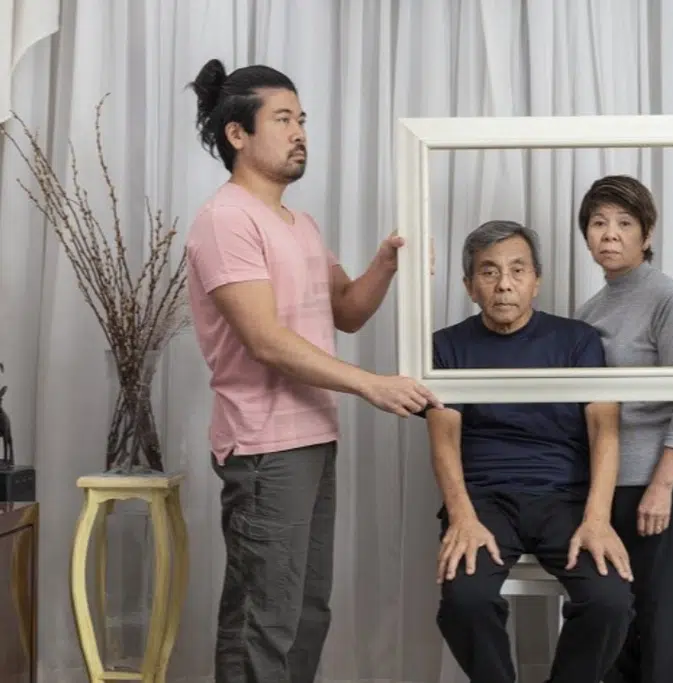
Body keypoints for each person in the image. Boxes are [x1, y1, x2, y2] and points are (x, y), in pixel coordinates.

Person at [183, 58, 441, 683]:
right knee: (266, 618)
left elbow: (346, 310)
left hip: (312, 436)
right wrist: (371, 384)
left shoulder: (301, 225)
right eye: (283, 119)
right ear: (237, 134)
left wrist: (386, 263)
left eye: (302, 119)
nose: (299, 132)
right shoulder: (226, 219)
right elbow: (266, 342)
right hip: (264, 446)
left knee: (305, 612)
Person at [424, 220, 635, 683]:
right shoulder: (446, 346)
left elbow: (605, 432)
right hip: (484, 502)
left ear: (536, 281)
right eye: (489, 272)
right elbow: (443, 440)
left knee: (610, 600)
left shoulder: (577, 341)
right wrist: (462, 516)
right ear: (469, 286)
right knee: (465, 600)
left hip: (565, 500)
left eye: (517, 270)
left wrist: (597, 518)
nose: (504, 284)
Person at [574, 175, 673, 683]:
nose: (610, 234)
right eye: (598, 223)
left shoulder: (670, 299)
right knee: (615, 636)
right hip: (608, 488)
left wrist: (662, 485)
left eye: (624, 223)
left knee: (662, 633)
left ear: (647, 234)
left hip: (670, 487)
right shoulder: (589, 311)